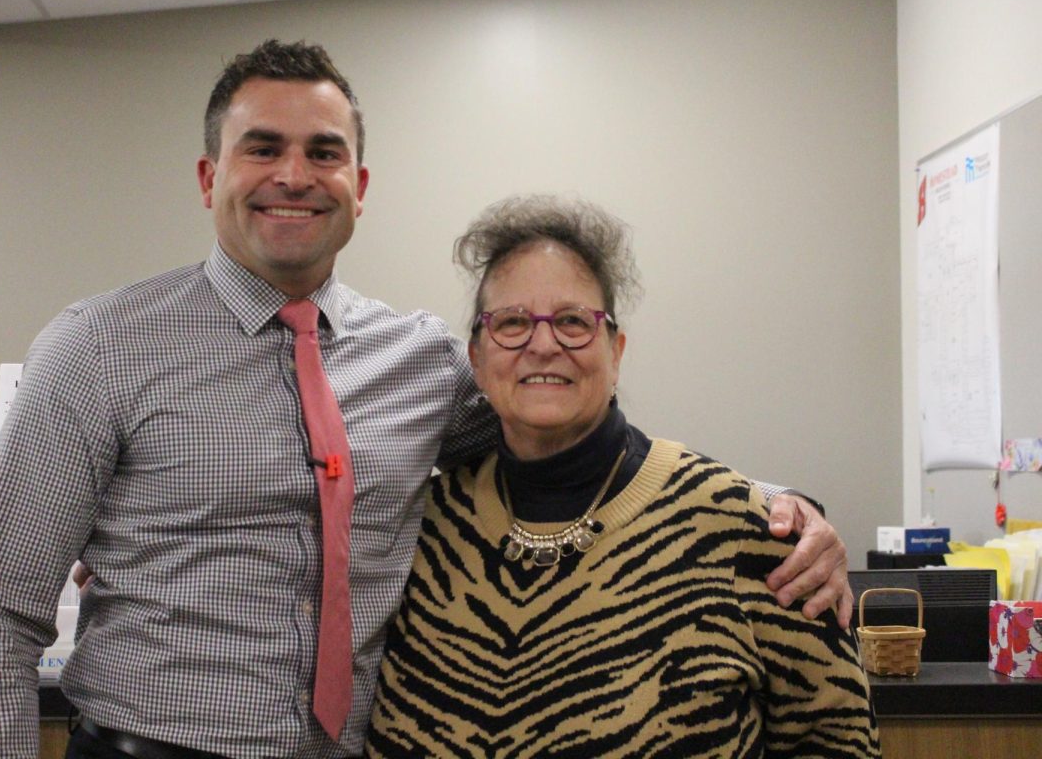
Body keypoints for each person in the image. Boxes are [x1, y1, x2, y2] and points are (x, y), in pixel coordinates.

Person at [0, 40, 852, 759]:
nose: (293, 174)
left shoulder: (421, 362)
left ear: (360, 188)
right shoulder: (97, 347)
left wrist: (776, 510)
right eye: (262, 147)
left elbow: (563, 428)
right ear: (208, 176)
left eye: (323, 152)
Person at [365, 196, 879, 758]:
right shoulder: (422, 526)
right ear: (478, 359)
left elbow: (838, 740)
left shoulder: (740, 528)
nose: (543, 344)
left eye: (572, 322)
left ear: (616, 352)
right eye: (512, 322)